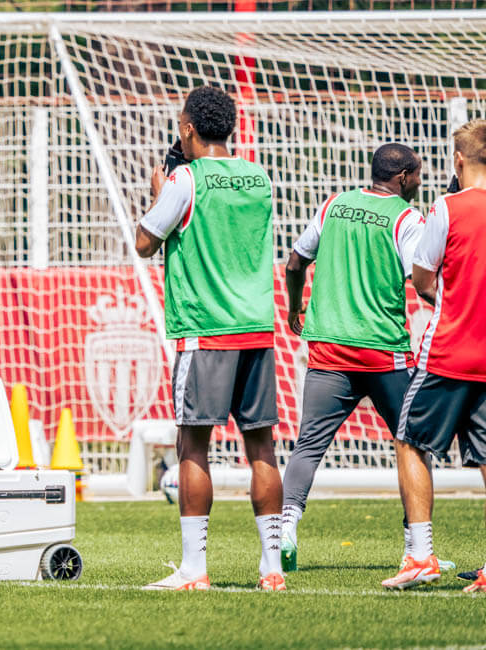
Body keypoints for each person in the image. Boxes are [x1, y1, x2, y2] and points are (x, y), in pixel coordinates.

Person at [135, 86, 285, 592]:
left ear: (188, 127)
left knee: (193, 446)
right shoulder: (259, 177)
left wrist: (159, 192)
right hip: (256, 328)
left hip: (205, 331)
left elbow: (145, 242)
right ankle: (272, 569)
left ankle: (194, 569)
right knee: (261, 446)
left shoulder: (184, 179)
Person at [281, 144, 455, 574]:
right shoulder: (406, 218)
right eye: (418, 175)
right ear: (403, 177)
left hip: (328, 347)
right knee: (413, 444)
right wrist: (456, 307)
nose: (420, 182)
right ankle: (417, 548)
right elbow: (422, 281)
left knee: (308, 445)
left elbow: (295, 263)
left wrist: (294, 307)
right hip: (382, 352)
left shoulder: (334, 205)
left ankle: (284, 530)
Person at [384, 119, 486, 592]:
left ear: (458, 160)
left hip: (448, 353)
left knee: (409, 441)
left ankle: (421, 555)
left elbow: (422, 277)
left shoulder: (447, 207)